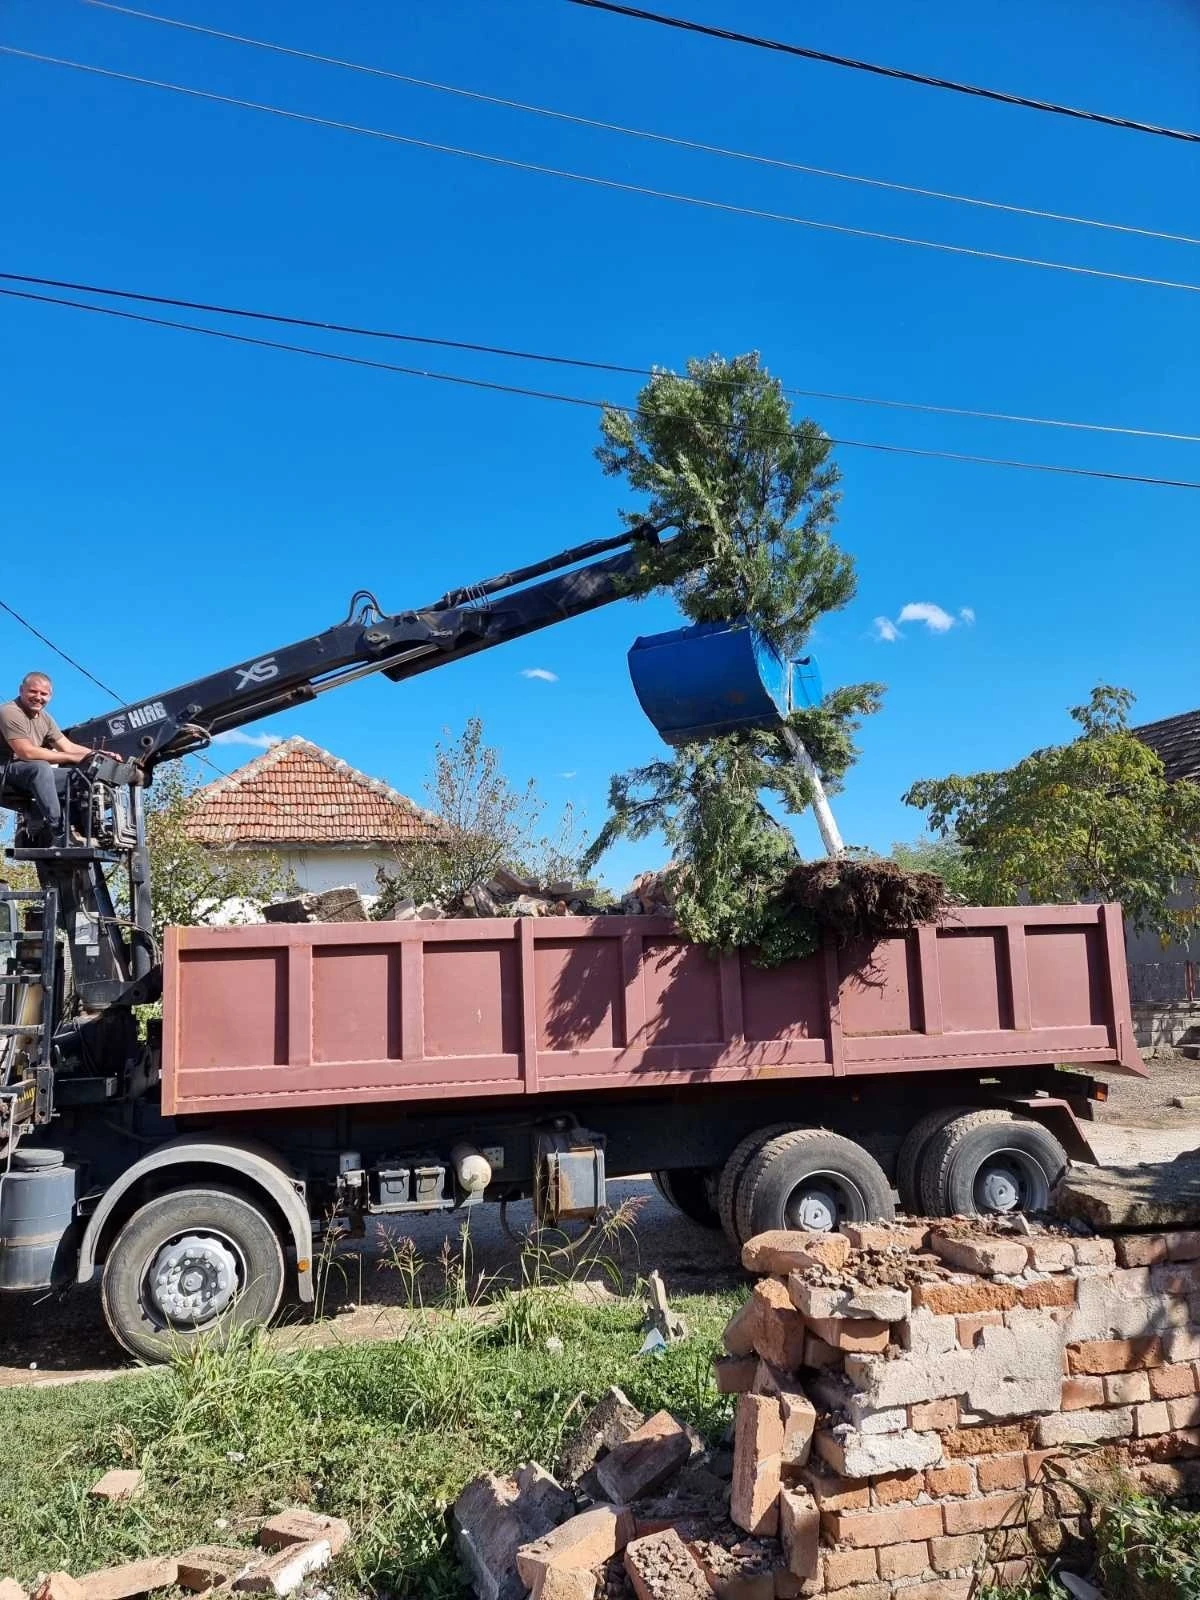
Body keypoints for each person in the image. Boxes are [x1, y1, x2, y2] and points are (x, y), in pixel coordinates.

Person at [0, 672, 94, 842]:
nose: (38, 697)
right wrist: (71, 758)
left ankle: (83, 830)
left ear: (50, 696)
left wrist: (96, 755)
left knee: (82, 776)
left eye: (43, 694)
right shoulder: (9, 712)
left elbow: (68, 746)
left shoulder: (45, 719)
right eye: (33, 691)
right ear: (21, 690)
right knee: (40, 767)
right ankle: (59, 831)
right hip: (5, 772)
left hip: (24, 772)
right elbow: (26, 752)